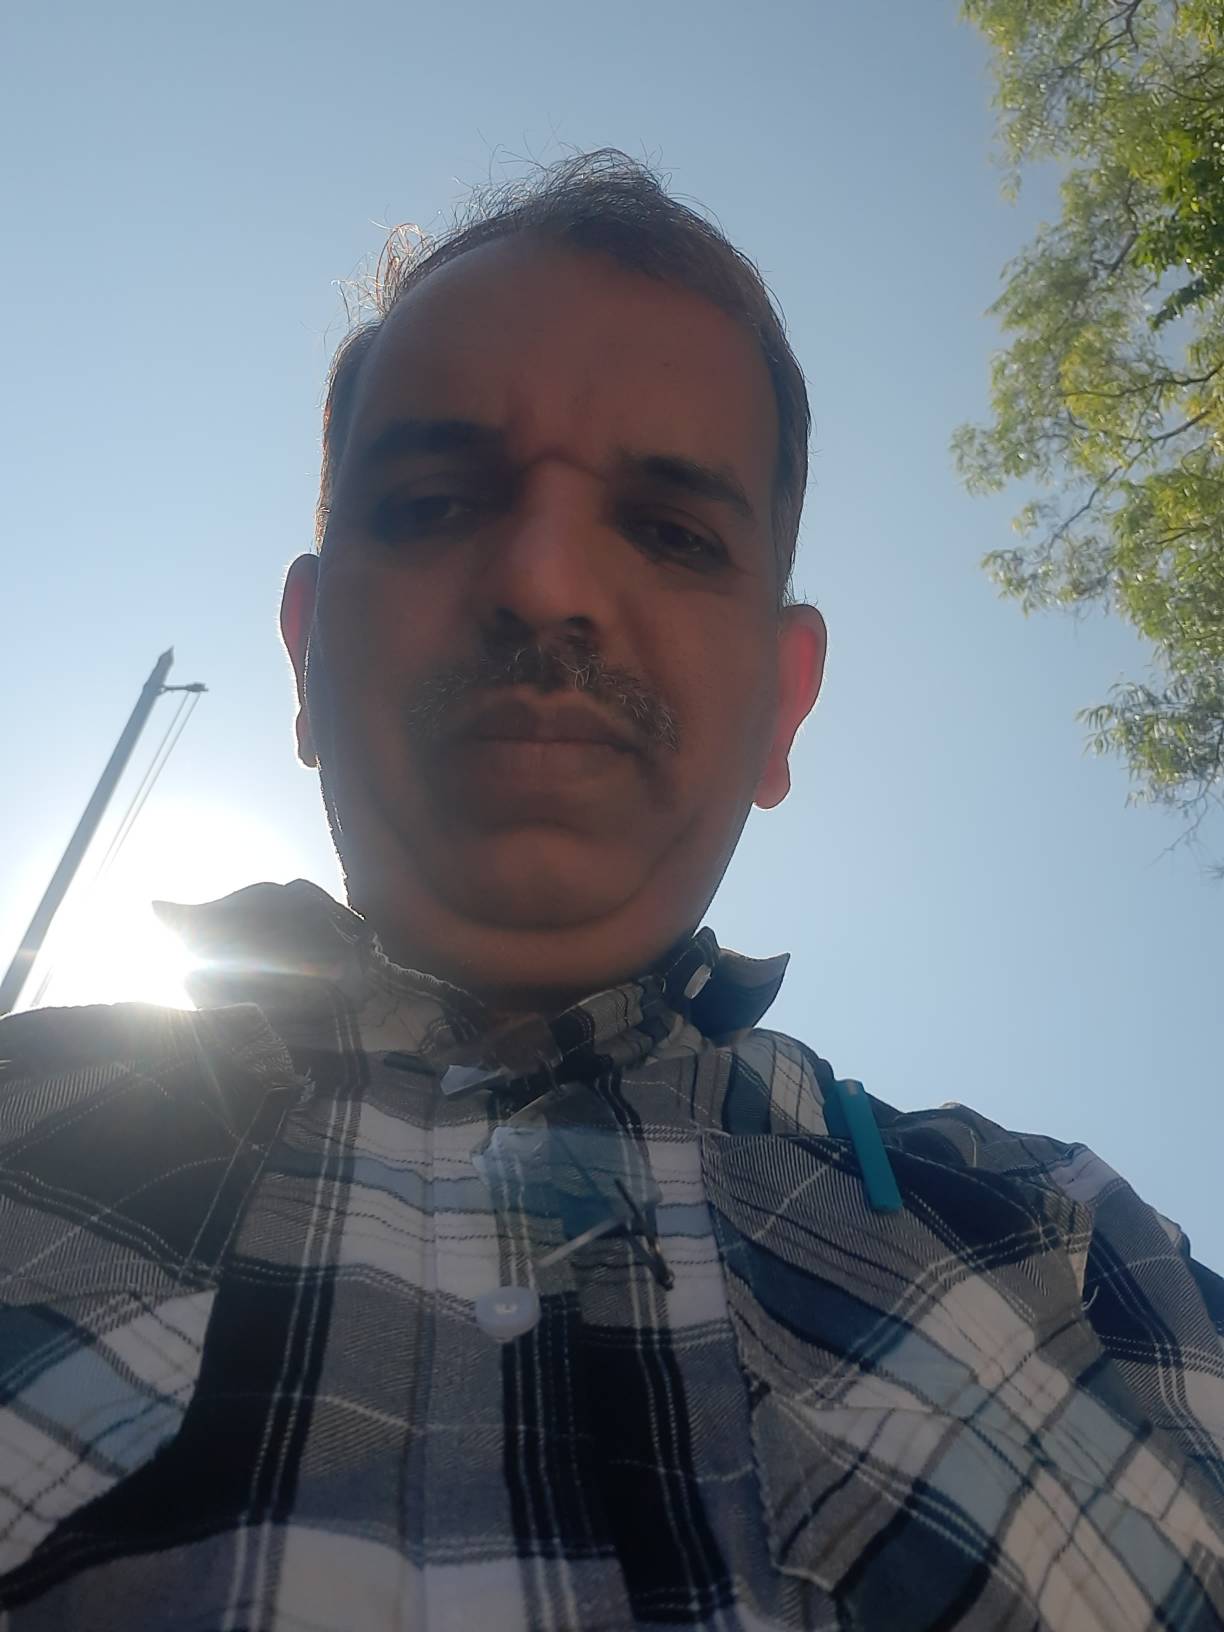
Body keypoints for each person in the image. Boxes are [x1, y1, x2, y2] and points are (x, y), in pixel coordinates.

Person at [1, 151, 1221, 1632]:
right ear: (305, 654)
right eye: (433, 502)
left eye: (673, 531)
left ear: (782, 704)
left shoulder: (1080, 1251)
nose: (547, 582)